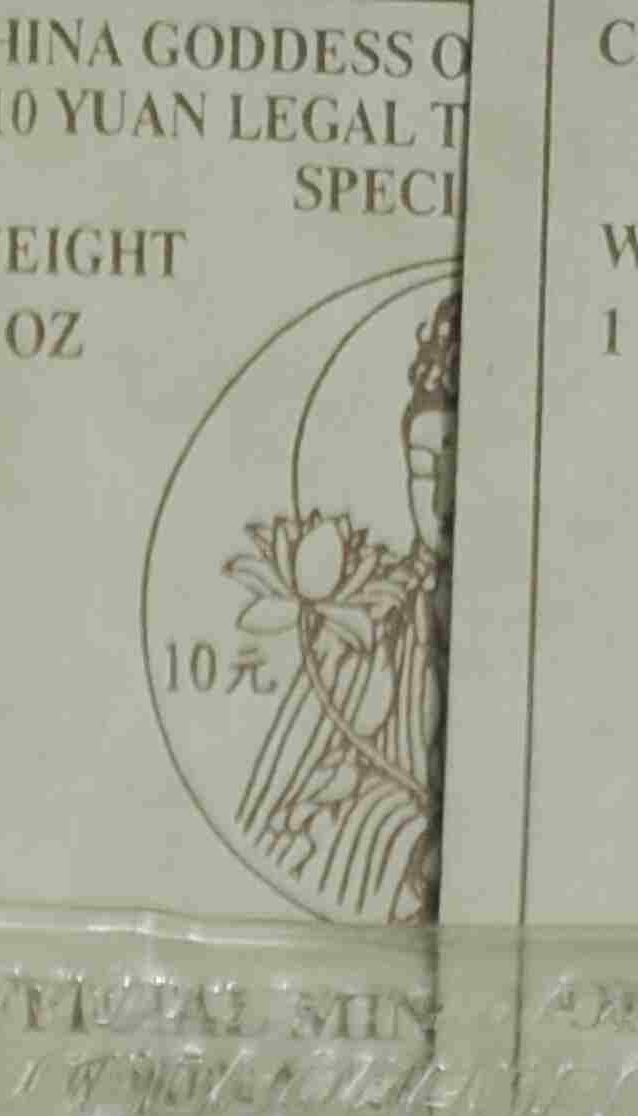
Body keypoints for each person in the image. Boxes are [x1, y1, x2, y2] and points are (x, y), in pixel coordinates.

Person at [232, 283, 455, 923]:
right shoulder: (367, 623)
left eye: (464, 470)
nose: (441, 498)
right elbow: (285, 819)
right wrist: (404, 837)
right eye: (424, 468)